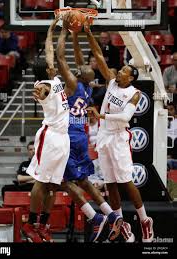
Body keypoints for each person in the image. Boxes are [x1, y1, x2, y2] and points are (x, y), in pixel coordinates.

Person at [56, 15, 123, 243]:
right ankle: (111, 214)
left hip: (68, 137)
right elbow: (77, 58)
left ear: (80, 74)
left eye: (82, 66)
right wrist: (78, 34)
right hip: (82, 136)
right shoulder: (84, 86)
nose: (82, 63)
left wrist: (64, 30)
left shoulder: (72, 83)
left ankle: (94, 217)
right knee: (83, 179)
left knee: (63, 181)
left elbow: (61, 57)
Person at [85, 22, 154, 243]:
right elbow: (98, 55)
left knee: (126, 181)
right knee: (111, 184)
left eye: (124, 71)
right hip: (104, 138)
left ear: (131, 78)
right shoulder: (113, 82)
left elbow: (125, 118)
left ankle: (144, 220)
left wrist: (101, 116)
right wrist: (88, 33)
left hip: (119, 138)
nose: (120, 72)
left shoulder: (135, 94)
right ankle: (122, 224)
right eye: (121, 70)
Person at [22, 18, 70, 243]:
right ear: (46, 71)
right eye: (50, 65)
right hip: (49, 137)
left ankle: (44, 224)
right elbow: (40, 93)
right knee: (41, 181)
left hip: (63, 139)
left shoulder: (56, 79)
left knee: (53, 185)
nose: (53, 65)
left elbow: (53, 51)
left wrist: (57, 29)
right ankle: (30, 223)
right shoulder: (41, 86)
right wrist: (39, 94)